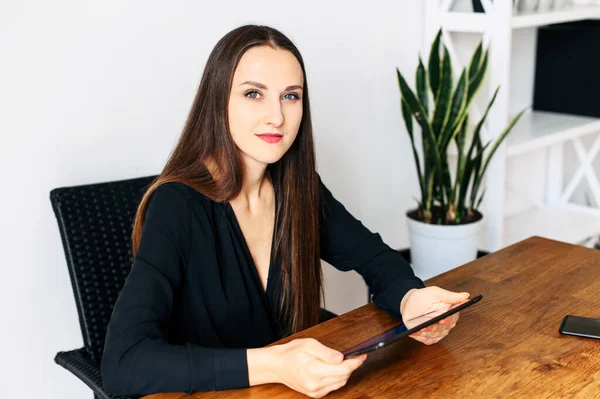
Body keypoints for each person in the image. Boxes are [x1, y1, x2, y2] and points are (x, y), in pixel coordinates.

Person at [101, 24, 471, 399]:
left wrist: (412, 299)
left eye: (290, 96)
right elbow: (123, 363)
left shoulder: (298, 188)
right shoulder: (177, 205)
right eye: (253, 94)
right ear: (218, 101)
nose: (276, 116)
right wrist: (276, 363)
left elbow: (376, 258)